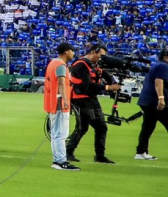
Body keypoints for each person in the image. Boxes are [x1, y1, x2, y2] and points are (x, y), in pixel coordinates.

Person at [66, 44, 119, 164]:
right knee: (84, 127)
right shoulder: (80, 65)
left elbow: (106, 74)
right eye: (101, 55)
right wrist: (108, 87)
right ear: (93, 52)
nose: (102, 59)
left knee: (98, 127)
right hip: (81, 99)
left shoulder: (94, 65)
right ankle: (69, 152)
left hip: (90, 99)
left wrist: (113, 82)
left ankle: (99, 155)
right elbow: (87, 85)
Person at [45, 43, 79, 171]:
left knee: (55, 134)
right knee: (61, 134)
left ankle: (57, 160)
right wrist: (65, 99)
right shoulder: (60, 65)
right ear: (66, 52)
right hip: (59, 103)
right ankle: (61, 161)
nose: (73, 53)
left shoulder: (53, 63)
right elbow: (61, 82)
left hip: (52, 102)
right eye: (72, 51)